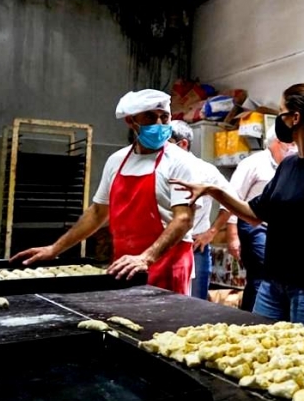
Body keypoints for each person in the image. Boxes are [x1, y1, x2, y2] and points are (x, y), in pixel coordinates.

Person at [173, 84, 304, 332]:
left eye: (281, 111)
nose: (278, 119)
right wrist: (214, 191)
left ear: (295, 118)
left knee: (303, 359)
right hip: (272, 284)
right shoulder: (288, 165)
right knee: (262, 348)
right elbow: (254, 214)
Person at [13, 89, 196, 293]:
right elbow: (98, 212)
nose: (160, 125)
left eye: (165, 117)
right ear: (131, 121)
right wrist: (55, 249)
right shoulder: (116, 161)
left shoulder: (181, 162)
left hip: (166, 262)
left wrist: (146, 257)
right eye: (151, 117)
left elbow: (183, 219)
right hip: (125, 263)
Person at [225, 127, 296, 311]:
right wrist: (232, 235)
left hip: (278, 227)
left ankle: (258, 314)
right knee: (264, 273)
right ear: (275, 142)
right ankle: (255, 317)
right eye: (290, 143)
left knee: (272, 274)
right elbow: (233, 197)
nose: (293, 147)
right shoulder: (253, 163)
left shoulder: (290, 165)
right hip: (252, 224)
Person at [168, 120, 233, 300]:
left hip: (195, 247)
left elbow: (231, 200)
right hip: (162, 246)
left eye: (168, 143)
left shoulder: (205, 170)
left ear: (183, 144)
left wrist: (211, 232)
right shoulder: (159, 168)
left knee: (195, 305)